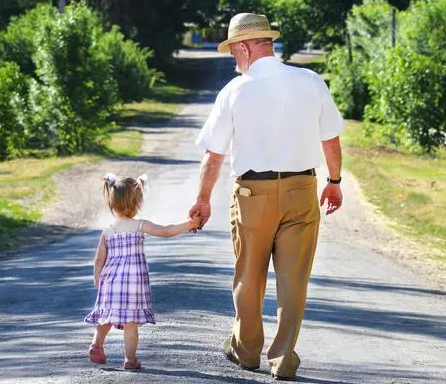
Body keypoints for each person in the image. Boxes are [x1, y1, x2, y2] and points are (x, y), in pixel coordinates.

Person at [188, 13, 345, 381]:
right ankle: (284, 358)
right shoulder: (310, 81)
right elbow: (331, 138)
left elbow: (213, 155)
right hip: (301, 189)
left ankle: (246, 351)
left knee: (249, 275)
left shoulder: (235, 91)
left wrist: (203, 198)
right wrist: (334, 180)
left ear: (243, 47)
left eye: (233, 52)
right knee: (294, 280)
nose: (233, 60)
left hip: (251, 193)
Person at [85, 173, 200, 370]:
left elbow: (98, 260)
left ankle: (97, 345)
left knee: (106, 316)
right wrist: (189, 224)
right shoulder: (139, 225)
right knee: (131, 324)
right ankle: (130, 360)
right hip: (133, 284)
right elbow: (166, 231)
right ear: (137, 202)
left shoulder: (108, 231)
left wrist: (98, 281)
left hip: (110, 283)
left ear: (112, 202)